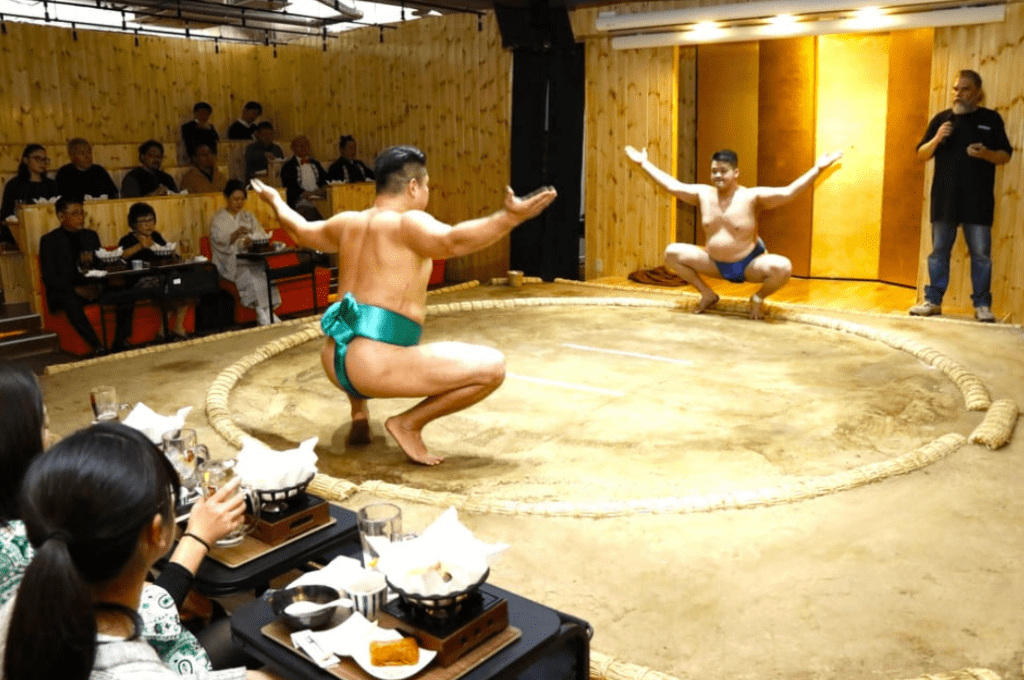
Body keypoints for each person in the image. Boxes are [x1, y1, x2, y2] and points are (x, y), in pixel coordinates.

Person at [251, 145, 557, 465]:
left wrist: (274, 200)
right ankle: (409, 424)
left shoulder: (348, 223)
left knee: (358, 318)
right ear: (413, 187)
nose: (427, 192)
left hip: (333, 362)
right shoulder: (408, 224)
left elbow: (299, 231)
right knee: (492, 368)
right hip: (372, 367)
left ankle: (359, 410)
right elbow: (454, 240)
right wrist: (510, 218)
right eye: (426, 185)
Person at [0, 372, 252, 674]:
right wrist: (196, 539)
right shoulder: (15, 544)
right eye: (45, 426)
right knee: (256, 627)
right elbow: (122, 605)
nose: (52, 439)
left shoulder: (25, 598)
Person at [625, 145, 843, 320]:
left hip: (749, 265)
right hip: (714, 263)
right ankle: (707, 294)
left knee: (783, 267)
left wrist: (818, 169)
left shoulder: (751, 197)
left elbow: (788, 192)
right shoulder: (702, 193)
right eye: (714, 171)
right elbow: (672, 186)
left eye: (723, 171)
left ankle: (758, 299)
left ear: (736, 172)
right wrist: (644, 164)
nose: (718, 176)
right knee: (672, 253)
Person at [909, 69, 1013, 323]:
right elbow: (921, 154)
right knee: (939, 252)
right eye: (955, 89)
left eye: (964, 89)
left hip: (977, 203)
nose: (958, 94)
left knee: (981, 255)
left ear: (977, 92)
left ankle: (982, 306)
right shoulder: (942, 120)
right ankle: (933, 301)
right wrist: (936, 138)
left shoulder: (991, 119)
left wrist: (984, 154)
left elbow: (1005, 156)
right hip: (944, 200)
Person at [115, 202, 193, 345]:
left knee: (183, 282)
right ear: (133, 223)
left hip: (163, 276)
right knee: (167, 286)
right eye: (143, 221)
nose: (148, 225)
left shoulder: (156, 236)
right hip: (139, 281)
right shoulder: (127, 240)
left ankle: (175, 328)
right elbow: (122, 256)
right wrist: (140, 246)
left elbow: (166, 250)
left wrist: (175, 256)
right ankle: (166, 331)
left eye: (150, 220)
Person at [210, 180, 281, 326]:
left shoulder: (248, 217)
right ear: (227, 198)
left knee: (263, 272)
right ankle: (263, 312)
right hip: (229, 262)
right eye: (235, 199)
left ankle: (266, 312)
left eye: (242, 199)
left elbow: (260, 235)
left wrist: (252, 242)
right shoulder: (219, 219)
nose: (239, 203)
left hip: (249, 258)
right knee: (249, 274)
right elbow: (219, 243)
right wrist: (235, 235)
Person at [39, 196, 104, 353]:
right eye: (75, 213)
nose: (80, 218)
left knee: (122, 289)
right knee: (71, 300)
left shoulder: (91, 236)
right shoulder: (49, 240)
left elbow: (101, 266)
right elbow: (49, 278)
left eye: (82, 213)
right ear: (61, 216)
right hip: (63, 291)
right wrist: (75, 289)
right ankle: (97, 346)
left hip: (90, 285)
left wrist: (91, 265)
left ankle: (119, 340)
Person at [1, 144, 59, 248]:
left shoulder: (52, 185)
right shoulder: (14, 185)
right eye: (37, 158)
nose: (42, 162)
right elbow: (6, 214)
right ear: (26, 160)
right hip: (22, 236)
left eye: (44, 159)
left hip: (49, 233)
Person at [54, 137, 120, 201]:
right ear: (72, 156)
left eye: (89, 152)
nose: (87, 156)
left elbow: (114, 194)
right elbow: (61, 199)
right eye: (82, 153)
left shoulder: (99, 171)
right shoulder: (64, 173)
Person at [280, 135, 327, 220]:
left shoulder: (315, 163)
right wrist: (305, 194)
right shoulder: (288, 166)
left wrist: (322, 190)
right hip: (300, 203)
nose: (303, 147)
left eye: (306, 145)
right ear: (292, 148)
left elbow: (325, 180)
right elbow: (290, 187)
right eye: (300, 145)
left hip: (321, 200)